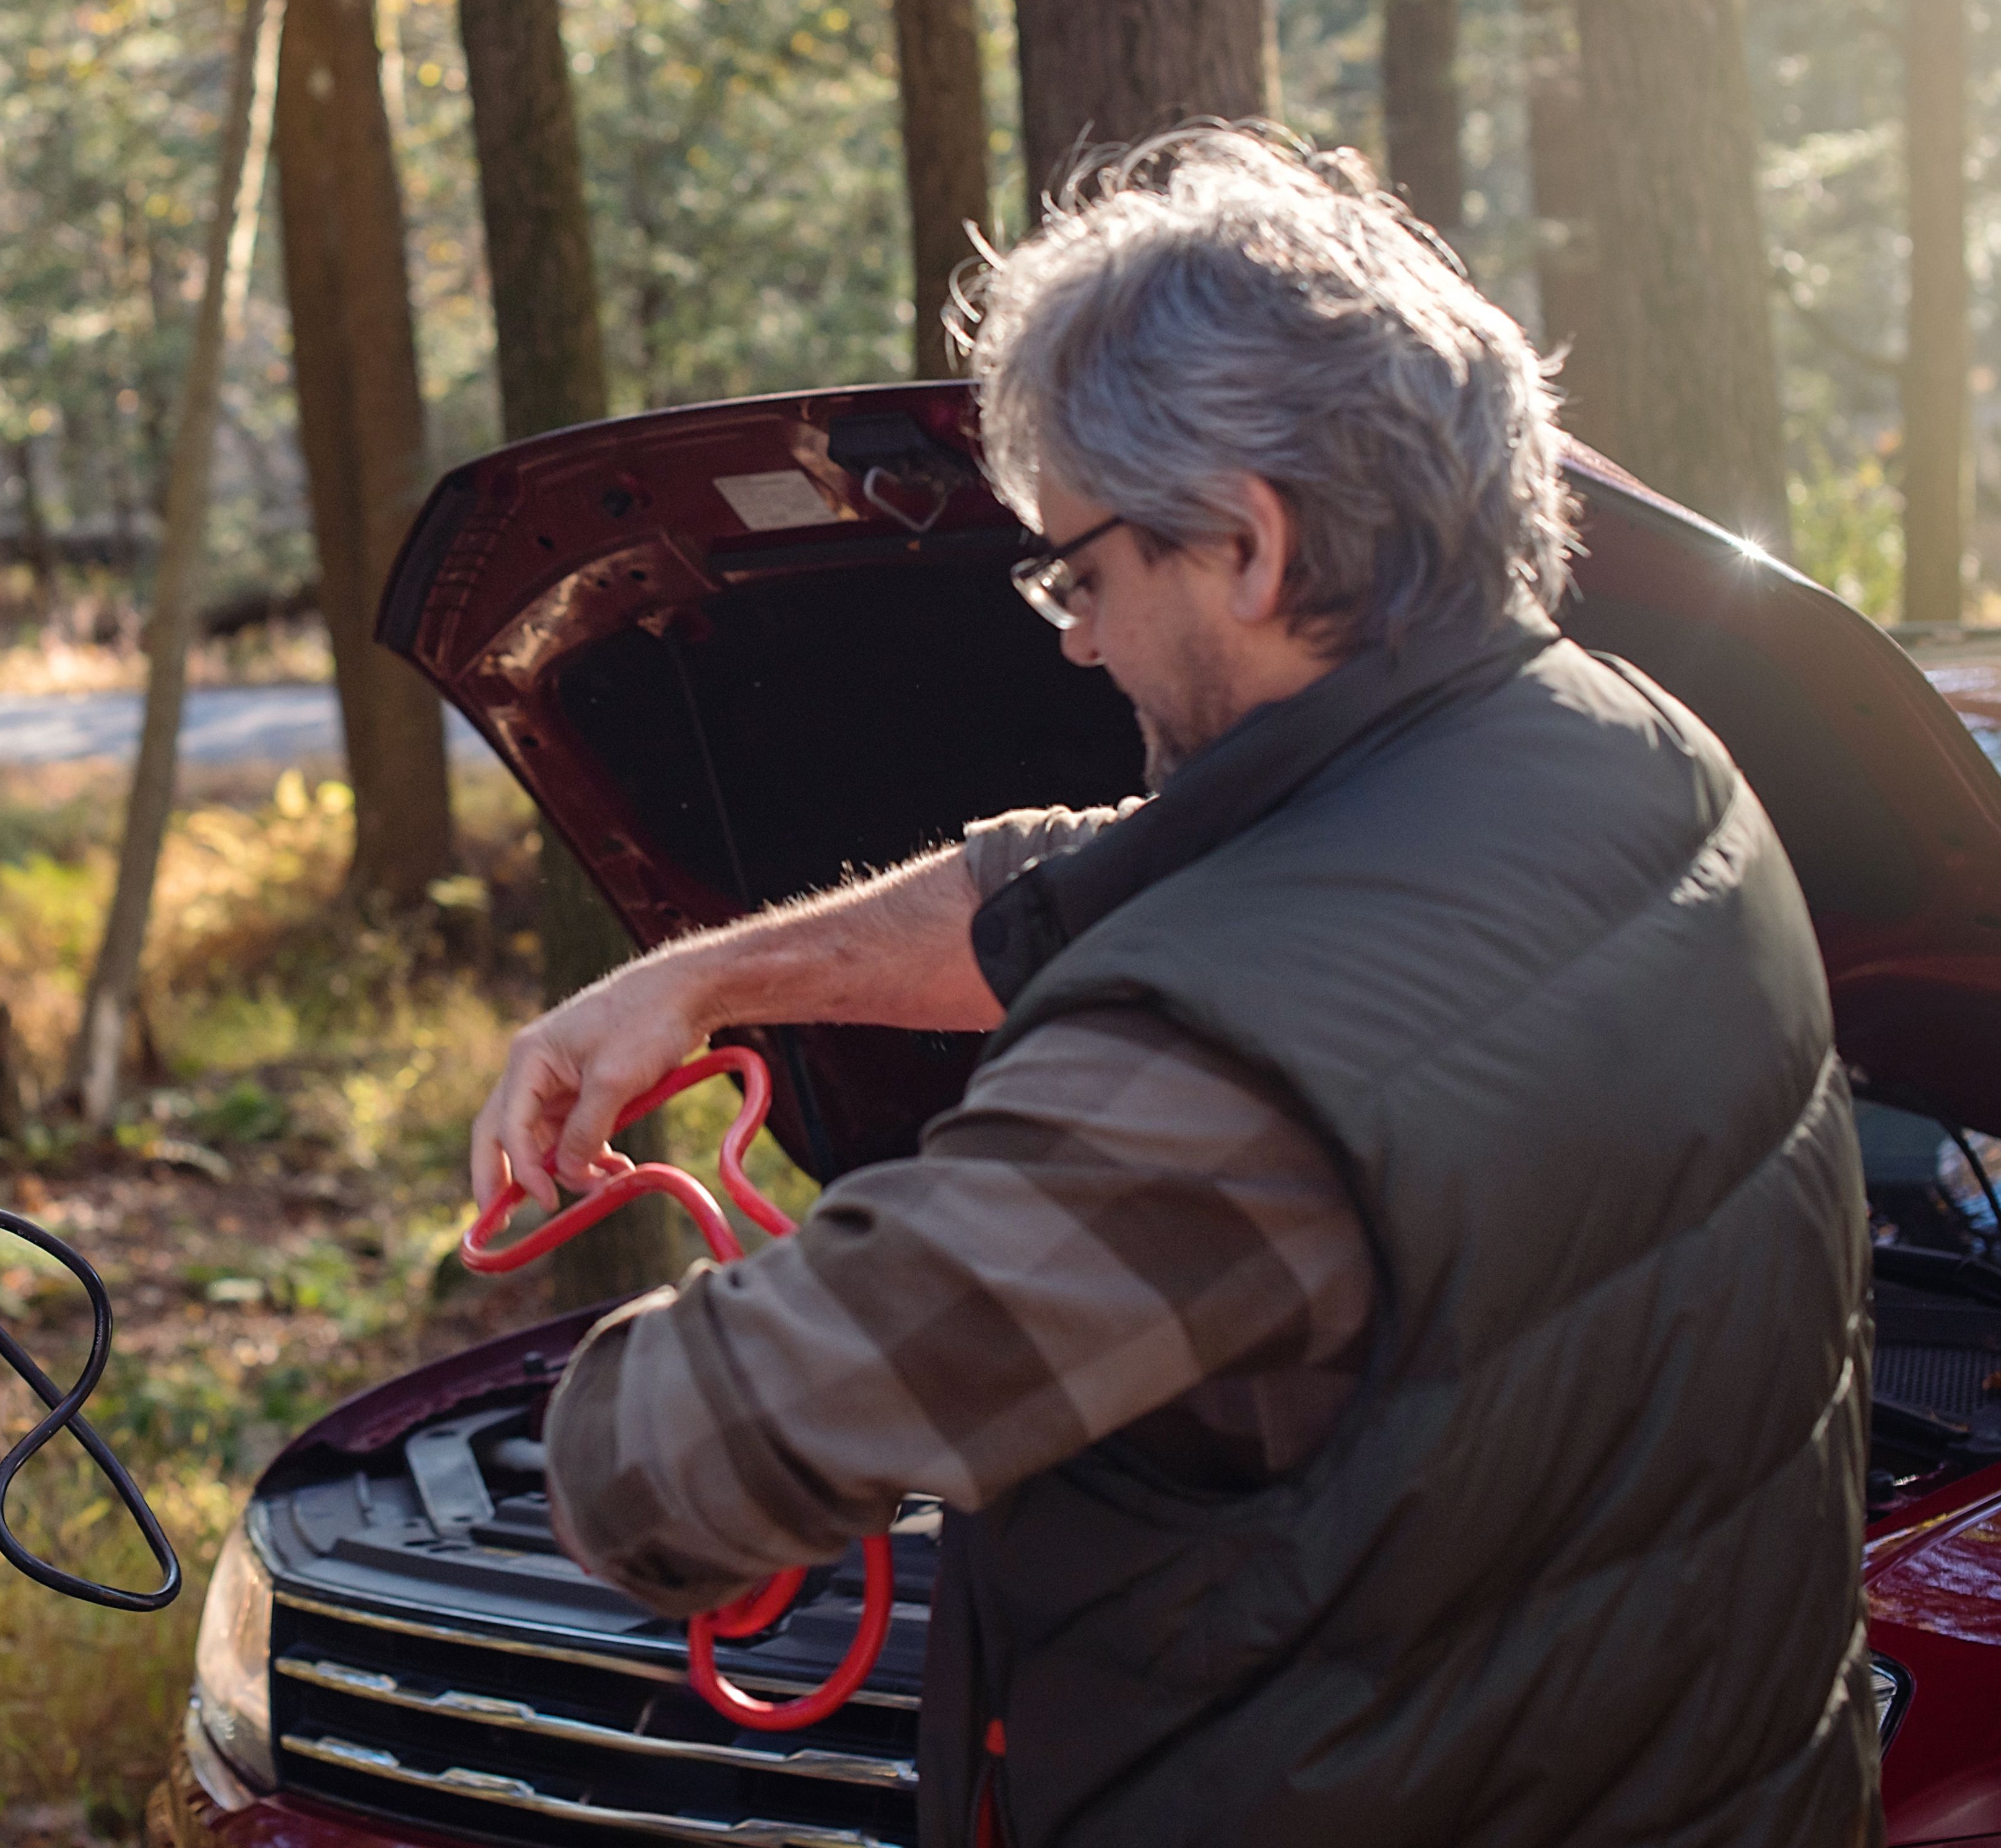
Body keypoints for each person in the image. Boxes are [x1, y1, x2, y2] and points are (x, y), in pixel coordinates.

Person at [471, 127, 1878, 1846]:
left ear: (1250, 545)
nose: (1070, 636)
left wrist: (603, 1388)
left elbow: (671, 1474)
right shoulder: (1628, 757)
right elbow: (1102, 870)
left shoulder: (1219, 1102)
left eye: (1078, 571)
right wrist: (712, 979)